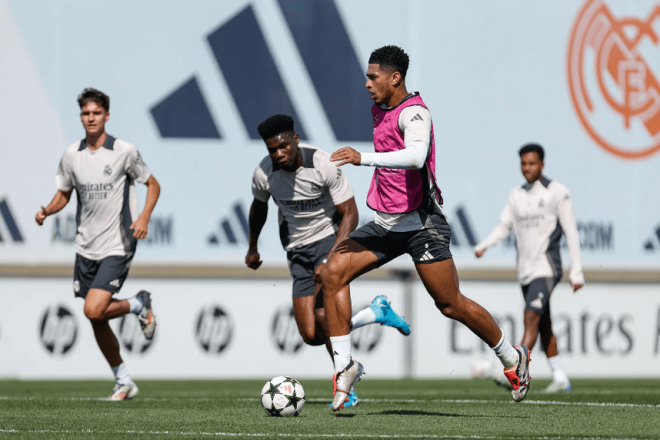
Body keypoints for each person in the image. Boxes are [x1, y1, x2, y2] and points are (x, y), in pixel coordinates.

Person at [323, 45, 531, 411]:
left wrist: (362, 158)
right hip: (386, 225)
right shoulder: (379, 109)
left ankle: (511, 356)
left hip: (422, 225)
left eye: (373, 77)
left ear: (395, 77)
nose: (367, 83)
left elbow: (416, 156)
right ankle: (345, 367)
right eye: (367, 76)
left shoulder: (416, 113)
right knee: (332, 274)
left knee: (451, 304)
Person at [246, 114, 410, 408]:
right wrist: (252, 247)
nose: (278, 154)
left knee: (325, 317)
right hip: (297, 251)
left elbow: (351, 213)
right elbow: (259, 209)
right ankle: (374, 313)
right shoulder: (263, 173)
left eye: (283, 146)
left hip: (329, 241)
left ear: (295, 140)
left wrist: (332, 257)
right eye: (272, 150)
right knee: (310, 334)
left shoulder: (322, 163)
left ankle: (345, 385)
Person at [35, 88, 160, 400]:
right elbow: (64, 193)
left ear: (107, 116)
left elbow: (153, 184)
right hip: (85, 246)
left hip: (118, 242)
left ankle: (137, 305)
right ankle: (124, 380)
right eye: (85, 114)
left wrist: (143, 217)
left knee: (94, 309)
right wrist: (48, 210)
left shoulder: (124, 151)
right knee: (96, 317)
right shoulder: (71, 155)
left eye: (96, 113)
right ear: (81, 117)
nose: (90, 118)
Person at [474, 143, 583, 392]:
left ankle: (515, 368)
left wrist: (577, 271)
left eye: (532, 163)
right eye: (523, 163)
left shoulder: (557, 192)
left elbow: (571, 231)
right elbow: (504, 226)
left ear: (542, 164)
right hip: (524, 269)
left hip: (547, 267)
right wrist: (484, 245)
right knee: (543, 323)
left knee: (530, 316)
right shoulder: (517, 195)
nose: (527, 168)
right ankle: (560, 376)